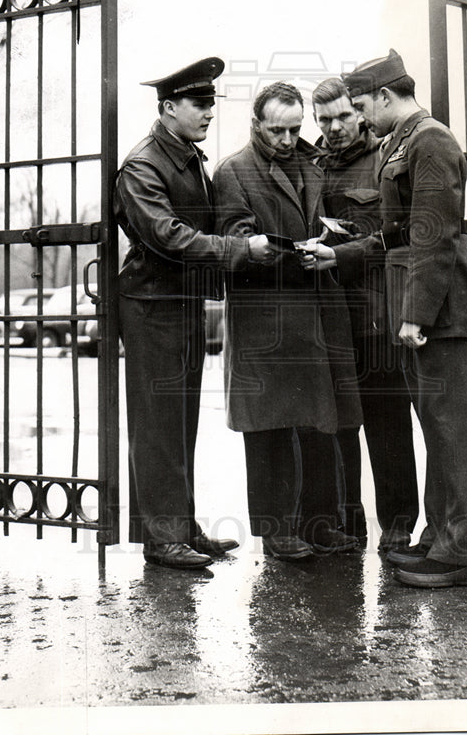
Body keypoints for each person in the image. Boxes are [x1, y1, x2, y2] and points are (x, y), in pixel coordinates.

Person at [301, 50, 467, 588]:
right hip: (428, 311)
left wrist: (415, 315)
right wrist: (338, 255)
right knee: (438, 430)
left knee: (454, 434)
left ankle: (466, 557)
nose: (360, 119)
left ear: (385, 97)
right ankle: (440, 539)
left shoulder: (430, 138)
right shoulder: (403, 141)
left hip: (445, 313)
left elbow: (433, 233)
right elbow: (395, 232)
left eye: (362, 106)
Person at [114, 56, 273, 570]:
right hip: (150, 306)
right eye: (198, 104)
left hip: (177, 303)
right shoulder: (143, 165)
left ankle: (181, 527)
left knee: (179, 422)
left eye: (210, 104)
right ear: (167, 108)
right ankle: (161, 539)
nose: (208, 113)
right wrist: (239, 250)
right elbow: (166, 236)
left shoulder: (184, 155)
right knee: (157, 423)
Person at [213, 81, 363, 561]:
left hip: (316, 314)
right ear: (256, 124)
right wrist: (295, 253)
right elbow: (236, 240)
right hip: (268, 320)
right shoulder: (233, 172)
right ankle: (276, 533)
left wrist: (333, 237)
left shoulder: (309, 162)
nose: (286, 138)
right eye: (276, 129)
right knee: (270, 430)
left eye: (295, 128)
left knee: (320, 423)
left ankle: (319, 525)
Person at [311, 77, 419, 552]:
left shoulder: (385, 158)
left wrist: (345, 253)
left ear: (358, 113)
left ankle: (398, 525)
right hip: (328, 315)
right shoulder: (310, 165)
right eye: (324, 120)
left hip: (375, 310)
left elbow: (394, 237)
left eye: (342, 116)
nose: (334, 127)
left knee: (386, 420)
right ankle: (345, 524)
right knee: (336, 424)